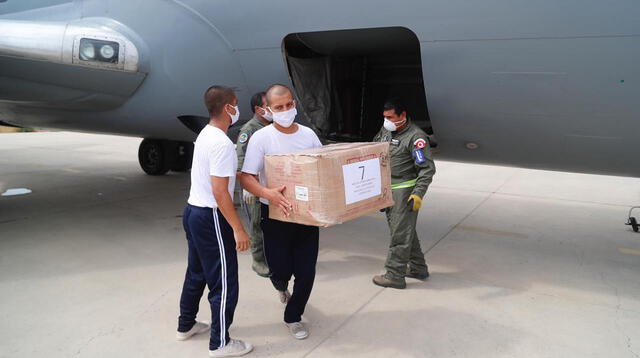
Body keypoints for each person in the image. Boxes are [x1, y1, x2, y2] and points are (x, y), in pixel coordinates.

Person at [238, 84, 322, 340]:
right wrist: (268, 194)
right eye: (278, 107)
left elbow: (324, 165)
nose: (285, 110)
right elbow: (246, 177)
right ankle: (280, 284)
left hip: (306, 216)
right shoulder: (261, 138)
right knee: (280, 269)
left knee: (306, 272)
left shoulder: (308, 135)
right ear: (269, 110)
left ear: (294, 103)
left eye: (288, 105)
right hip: (274, 215)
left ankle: (293, 317)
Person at [176, 85, 253, 357]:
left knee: (196, 272)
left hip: (193, 211)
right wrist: (238, 229)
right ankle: (220, 343)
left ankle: (186, 325)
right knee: (224, 281)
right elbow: (221, 193)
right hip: (210, 217)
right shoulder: (221, 143)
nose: (238, 109)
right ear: (228, 107)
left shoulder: (205, 134)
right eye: (236, 104)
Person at [372, 98, 436, 289]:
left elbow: (426, 169)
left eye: (391, 117)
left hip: (404, 193)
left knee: (399, 236)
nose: (387, 121)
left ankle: (394, 274)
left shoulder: (416, 138)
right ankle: (418, 268)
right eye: (385, 117)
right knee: (404, 230)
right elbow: (374, 147)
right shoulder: (386, 130)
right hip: (388, 190)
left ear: (403, 116)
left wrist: (418, 194)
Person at [236, 91, 272, 277]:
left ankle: (271, 255)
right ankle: (258, 260)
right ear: (259, 109)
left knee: (270, 222)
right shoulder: (249, 129)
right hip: (255, 185)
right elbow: (240, 157)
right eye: (270, 105)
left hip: (269, 184)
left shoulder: (272, 127)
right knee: (257, 223)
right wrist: (246, 185)